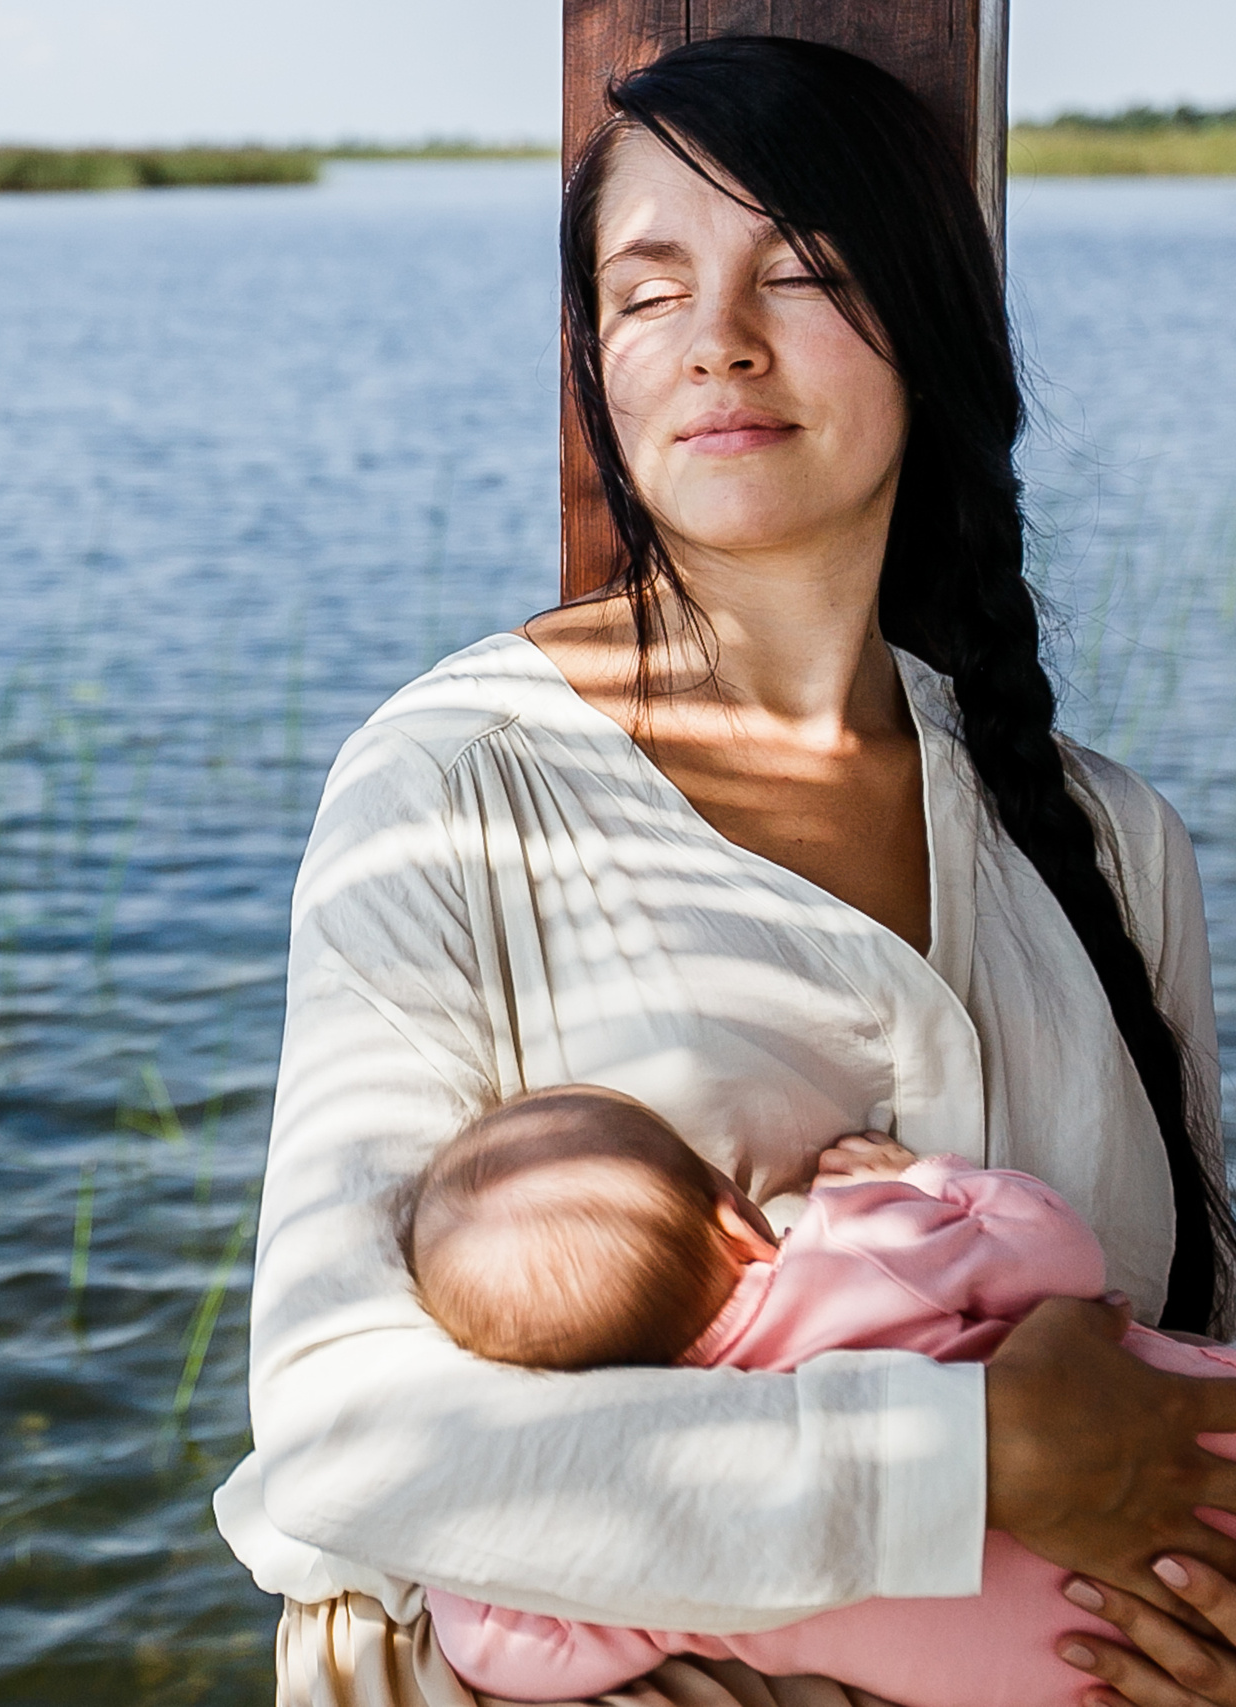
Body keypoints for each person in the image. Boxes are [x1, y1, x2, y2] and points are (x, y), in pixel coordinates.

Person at [210, 34, 1236, 1707]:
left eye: (803, 271)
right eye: (647, 291)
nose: (720, 346)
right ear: (594, 362)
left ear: (935, 324)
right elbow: (349, 1433)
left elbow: (1189, 1386)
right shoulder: (456, 784)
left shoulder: (1113, 844)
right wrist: (960, 1464)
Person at [400, 1086, 1236, 1707]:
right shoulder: (855, 1247)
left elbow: (503, 1649)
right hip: (1191, 1465)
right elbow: (1061, 1253)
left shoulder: (673, 1537)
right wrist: (924, 1179)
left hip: (1101, 1678)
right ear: (735, 1220)